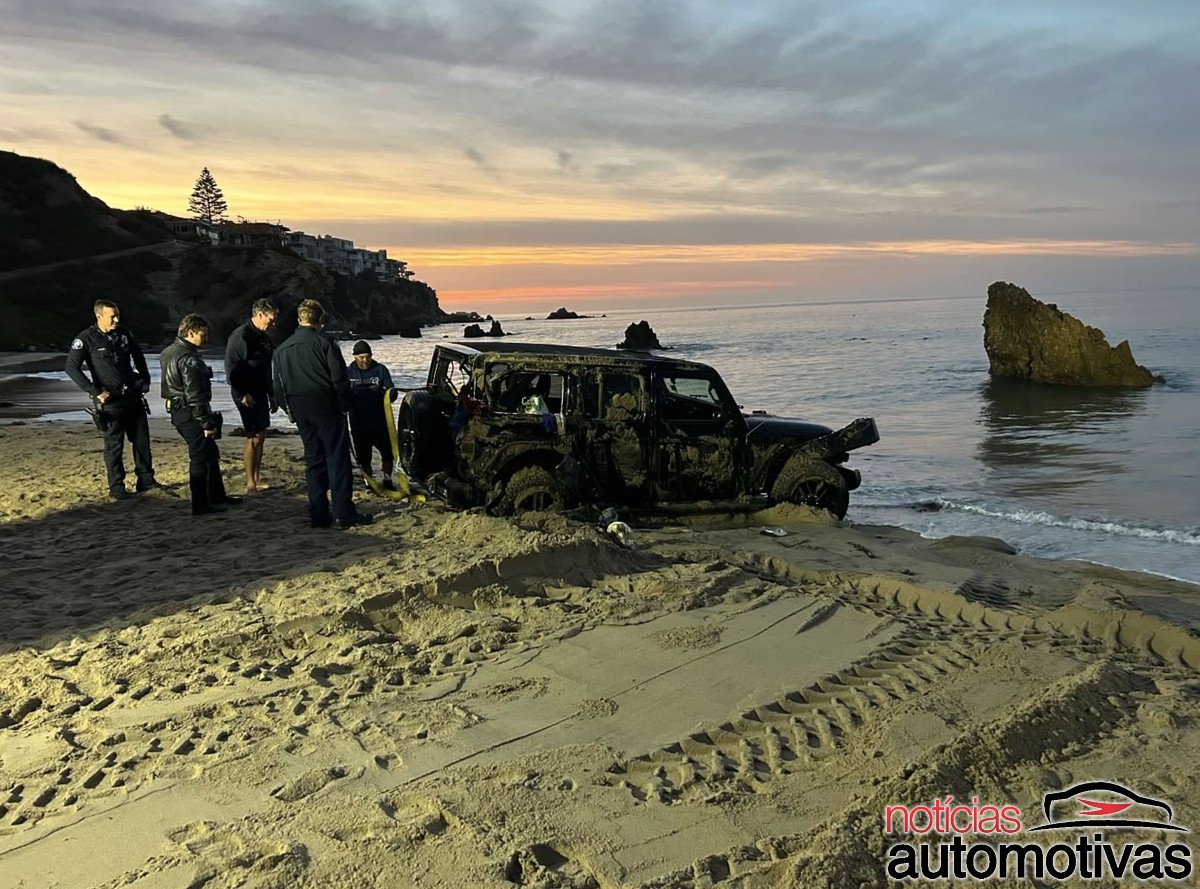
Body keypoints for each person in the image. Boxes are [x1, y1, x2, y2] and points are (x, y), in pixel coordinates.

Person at [273, 300, 373, 530]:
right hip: (326, 406)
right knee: (337, 459)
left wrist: (288, 410)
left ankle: (318, 513)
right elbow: (339, 378)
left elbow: (277, 385)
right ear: (321, 321)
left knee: (313, 460)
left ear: (299, 319)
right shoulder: (325, 342)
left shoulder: (281, 349)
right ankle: (343, 511)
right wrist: (345, 404)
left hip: (301, 408)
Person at [65, 299, 160, 499]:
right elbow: (71, 367)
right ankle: (117, 486)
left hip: (132, 395)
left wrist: (145, 379)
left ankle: (146, 480)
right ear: (98, 316)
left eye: (118, 315)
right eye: (112, 316)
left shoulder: (123, 333)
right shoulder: (86, 339)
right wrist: (94, 390)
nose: (116, 319)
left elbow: (138, 355)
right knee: (114, 445)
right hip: (109, 400)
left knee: (142, 442)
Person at [160, 314, 243, 516]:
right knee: (200, 457)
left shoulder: (168, 352)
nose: (205, 339)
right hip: (190, 412)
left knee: (210, 454)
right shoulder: (190, 360)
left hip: (178, 409)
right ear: (190, 333)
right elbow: (195, 395)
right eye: (203, 335)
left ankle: (216, 496)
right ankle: (201, 504)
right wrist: (205, 422)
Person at [224, 298, 278, 493]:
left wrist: (272, 394)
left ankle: (257, 476)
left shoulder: (265, 338)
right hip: (245, 392)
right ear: (260, 314)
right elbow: (231, 369)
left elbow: (266, 370)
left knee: (261, 435)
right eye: (271, 319)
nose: (273, 323)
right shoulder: (241, 336)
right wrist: (242, 394)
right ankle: (250, 482)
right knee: (253, 435)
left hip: (261, 391)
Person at [347, 340, 398, 490]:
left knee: (387, 454)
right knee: (364, 458)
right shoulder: (348, 372)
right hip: (358, 422)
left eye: (368, 356)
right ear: (354, 356)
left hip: (380, 421)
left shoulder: (380, 370)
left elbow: (390, 389)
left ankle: (387, 480)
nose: (365, 360)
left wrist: (392, 393)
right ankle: (369, 483)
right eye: (361, 357)